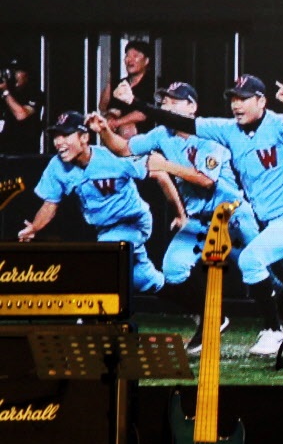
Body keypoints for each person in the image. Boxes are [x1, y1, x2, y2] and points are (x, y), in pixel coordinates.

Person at [115, 74, 283, 358]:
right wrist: (135, 103)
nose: (236, 104)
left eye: (243, 98)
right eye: (233, 99)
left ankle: (274, 330)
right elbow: (180, 123)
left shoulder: (280, 124)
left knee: (253, 261)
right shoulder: (227, 129)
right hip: (266, 221)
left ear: (261, 101)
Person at [93, 81, 261, 354]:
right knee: (173, 270)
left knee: (263, 270)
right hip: (199, 220)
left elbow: (206, 181)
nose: (166, 106)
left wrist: (166, 165)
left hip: (232, 216)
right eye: (164, 102)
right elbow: (124, 148)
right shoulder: (162, 133)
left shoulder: (208, 134)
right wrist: (104, 130)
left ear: (191, 106)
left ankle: (278, 327)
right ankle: (212, 318)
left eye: (174, 101)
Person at [17, 112, 197, 302]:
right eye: (56, 136)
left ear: (84, 137)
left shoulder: (112, 157)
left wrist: (180, 215)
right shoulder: (57, 166)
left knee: (103, 258)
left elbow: (161, 175)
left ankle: (87, 315)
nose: (59, 142)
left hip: (133, 222)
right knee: (143, 279)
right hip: (105, 229)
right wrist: (34, 228)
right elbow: (50, 204)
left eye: (66, 135)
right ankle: (189, 302)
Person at [100, 39, 155, 141]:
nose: (130, 60)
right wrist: (109, 83)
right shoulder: (122, 84)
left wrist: (117, 123)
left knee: (126, 129)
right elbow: (104, 107)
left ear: (146, 61)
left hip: (144, 131)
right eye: (127, 56)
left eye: (135, 56)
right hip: (119, 128)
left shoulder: (152, 83)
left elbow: (143, 113)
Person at [0, 56, 42, 155]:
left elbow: (21, 115)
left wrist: (6, 93)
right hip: (4, 150)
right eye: (12, 71)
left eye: (17, 71)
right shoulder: (6, 94)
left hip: (24, 152)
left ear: (27, 75)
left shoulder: (35, 94)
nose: (13, 74)